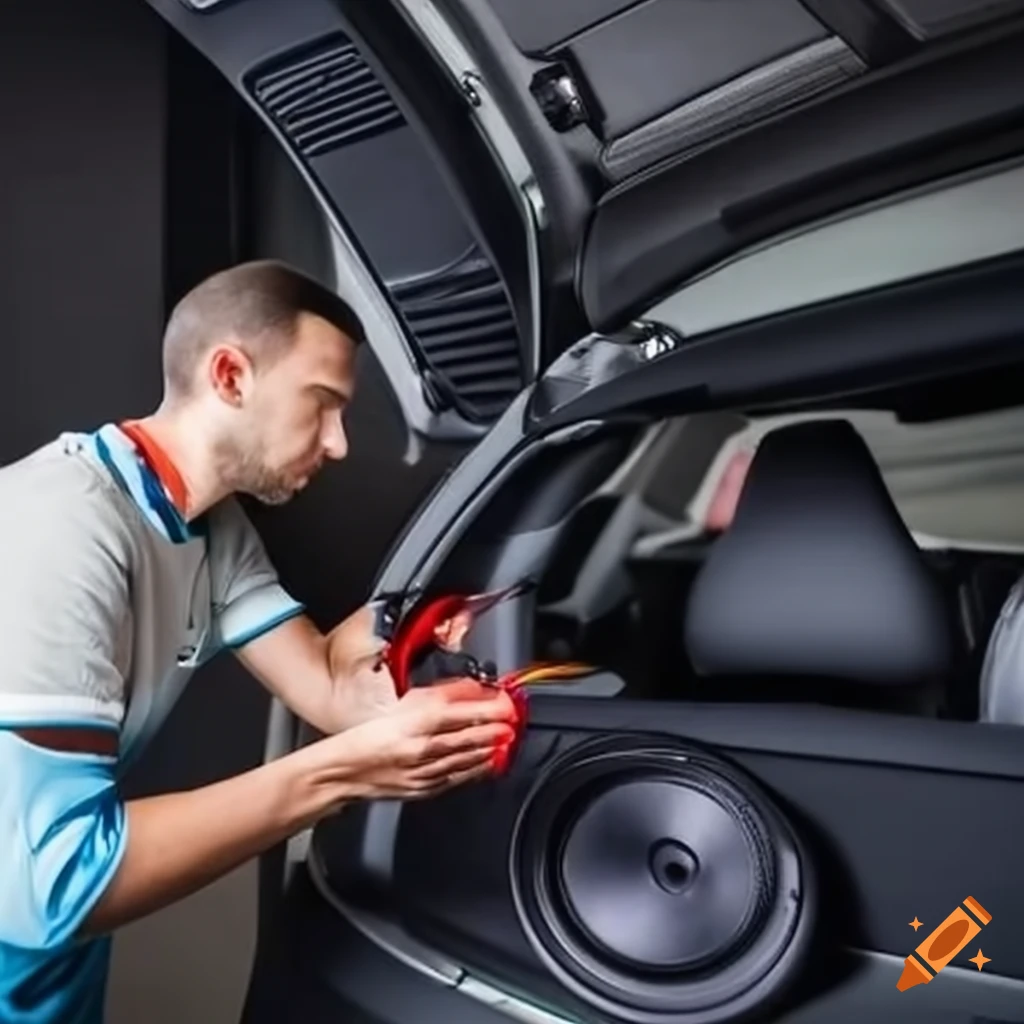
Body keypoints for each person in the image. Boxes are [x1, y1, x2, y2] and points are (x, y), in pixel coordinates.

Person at [0, 260, 518, 1024]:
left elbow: (331, 690)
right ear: (231, 376)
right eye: (323, 405)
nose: (339, 443)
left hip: (50, 985)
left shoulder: (212, 525)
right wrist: (343, 773)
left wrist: (414, 647)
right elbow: (51, 888)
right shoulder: (61, 525)